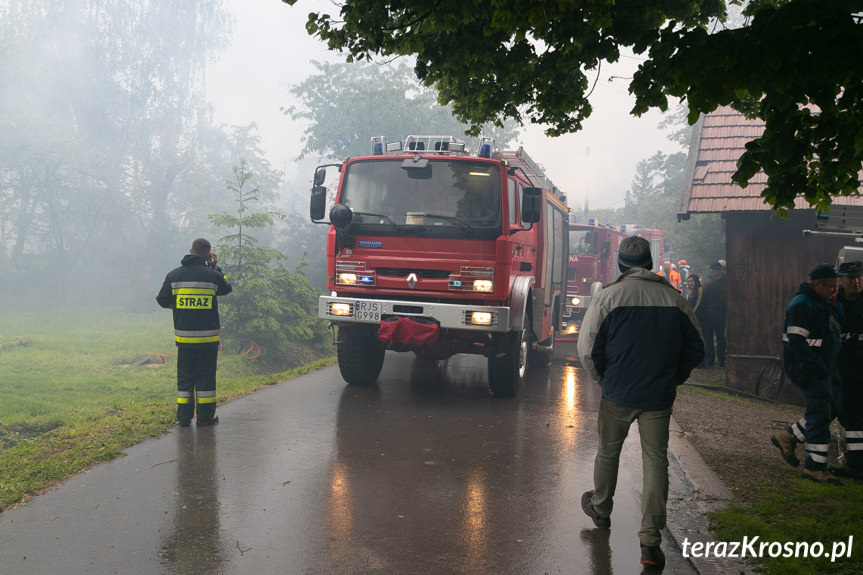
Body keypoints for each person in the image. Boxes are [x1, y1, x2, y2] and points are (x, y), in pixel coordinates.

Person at [577, 236, 704, 570]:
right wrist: (673, 378)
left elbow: (587, 348)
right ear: (649, 263)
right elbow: (697, 348)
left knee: (608, 452)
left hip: (617, 393)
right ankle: (650, 542)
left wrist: (604, 379)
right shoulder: (674, 300)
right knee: (655, 462)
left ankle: (601, 511)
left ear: (620, 264)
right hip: (657, 398)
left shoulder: (608, 297)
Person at [770, 263, 842, 484]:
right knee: (820, 413)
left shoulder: (820, 302)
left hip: (824, 367)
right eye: (831, 286)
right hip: (809, 368)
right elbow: (797, 342)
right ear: (817, 284)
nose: (834, 290)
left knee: (833, 407)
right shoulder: (802, 305)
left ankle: (789, 434)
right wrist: (815, 367)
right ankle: (815, 467)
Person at [157, 238, 232, 427]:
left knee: (185, 378)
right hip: (208, 339)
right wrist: (216, 268)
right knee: (206, 377)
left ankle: (184, 417)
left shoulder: (174, 275)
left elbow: (162, 300)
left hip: (184, 338)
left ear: (190, 251)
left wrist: (180, 306)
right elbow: (226, 288)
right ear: (208, 255)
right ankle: (205, 418)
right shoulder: (213, 276)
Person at [833, 261, 863, 478]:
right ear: (841, 280)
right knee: (848, 414)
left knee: (857, 415)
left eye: (859, 277)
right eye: (851, 278)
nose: (856, 281)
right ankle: (855, 462)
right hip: (841, 367)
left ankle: (855, 462)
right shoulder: (832, 303)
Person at [702, 261, 727, 367]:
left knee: (709, 337)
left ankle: (710, 360)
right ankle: (721, 360)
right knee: (721, 336)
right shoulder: (726, 282)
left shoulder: (708, 283)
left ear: (712, 270)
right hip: (721, 313)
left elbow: (703, 300)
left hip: (710, 313)